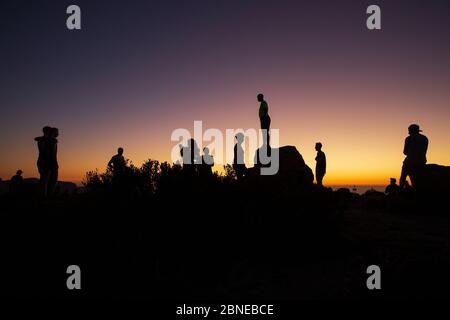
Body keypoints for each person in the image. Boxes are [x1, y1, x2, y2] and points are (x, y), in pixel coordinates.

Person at [400, 124, 428, 188]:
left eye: (409, 130)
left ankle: (400, 192)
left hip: (409, 162)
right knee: (418, 181)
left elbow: (405, 152)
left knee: (403, 178)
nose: (408, 132)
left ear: (411, 131)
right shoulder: (425, 138)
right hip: (421, 162)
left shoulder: (409, 138)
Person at [34, 126, 52, 197]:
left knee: (44, 179)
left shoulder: (43, 139)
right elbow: (42, 151)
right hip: (43, 161)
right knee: (44, 180)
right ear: (47, 131)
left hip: (42, 161)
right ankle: (43, 196)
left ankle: (43, 195)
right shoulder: (43, 140)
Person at [47, 127, 59, 196]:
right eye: (57, 132)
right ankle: (49, 196)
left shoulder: (46, 140)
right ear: (53, 133)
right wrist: (54, 163)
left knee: (47, 180)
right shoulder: (53, 141)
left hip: (47, 162)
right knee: (53, 180)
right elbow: (51, 153)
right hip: (51, 162)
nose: (58, 133)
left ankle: (46, 195)